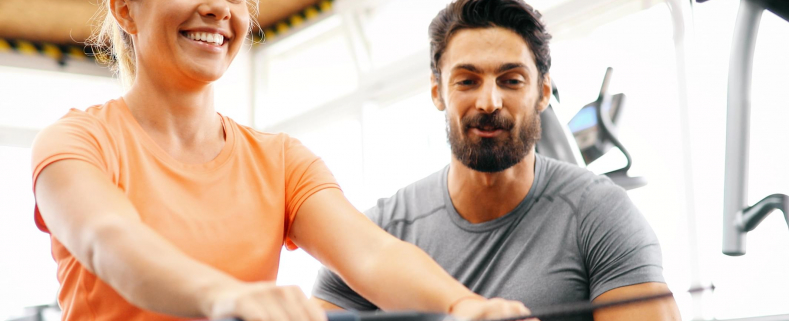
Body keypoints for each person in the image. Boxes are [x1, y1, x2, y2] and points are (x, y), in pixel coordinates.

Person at [28, 0, 536, 320]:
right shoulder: (76, 143)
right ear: (123, 9)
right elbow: (111, 242)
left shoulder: (281, 160)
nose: (217, 9)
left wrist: (463, 304)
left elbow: (371, 254)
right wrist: (226, 298)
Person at [311, 0, 681, 320]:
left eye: (511, 80)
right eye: (467, 81)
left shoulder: (599, 213)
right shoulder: (377, 233)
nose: (489, 102)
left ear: (543, 92)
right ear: (438, 92)